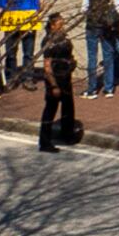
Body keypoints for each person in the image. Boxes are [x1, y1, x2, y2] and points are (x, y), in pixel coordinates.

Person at [37, 25, 81, 153]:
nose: (63, 26)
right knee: (50, 110)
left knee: (68, 107)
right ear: (52, 26)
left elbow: (69, 55)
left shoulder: (65, 39)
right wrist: (53, 85)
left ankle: (67, 135)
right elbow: (47, 66)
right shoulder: (48, 42)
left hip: (66, 77)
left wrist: (72, 63)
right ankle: (44, 142)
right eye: (59, 23)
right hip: (55, 79)